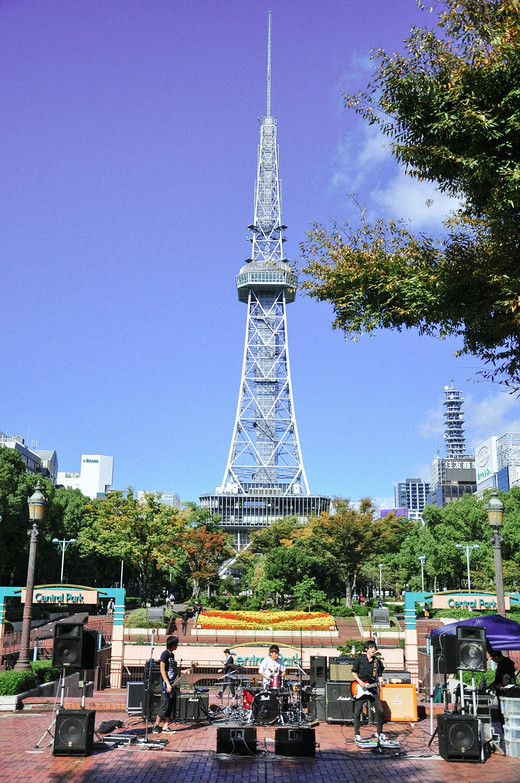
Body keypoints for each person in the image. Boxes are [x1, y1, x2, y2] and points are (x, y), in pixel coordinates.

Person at [351, 639, 386, 743]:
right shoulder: (360, 659)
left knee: (380, 711)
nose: (373, 649)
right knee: (357, 712)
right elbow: (353, 672)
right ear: (366, 649)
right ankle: (357, 734)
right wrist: (360, 682)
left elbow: (379, 675)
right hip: (360, 688)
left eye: (374, 647)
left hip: (372, 689)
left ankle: (379, 732)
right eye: (371, 648)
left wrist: (382, 682)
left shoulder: (377, 662)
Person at [152, 635, 185, 734]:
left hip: (172, 683)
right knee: (164, 704)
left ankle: (166, 726)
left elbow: (174, 670)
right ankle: (156, 725)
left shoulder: (172, 656)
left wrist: (184, 671)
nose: (177, 646)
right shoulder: (164, 654)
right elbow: (162, 670)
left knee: (170, 705)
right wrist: (167, 683)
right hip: (165, 683)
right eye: (176, 644)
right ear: (172, 644)